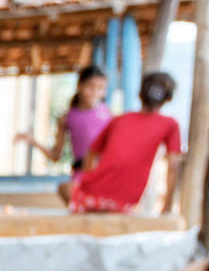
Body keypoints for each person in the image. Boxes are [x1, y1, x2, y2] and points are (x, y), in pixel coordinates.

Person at [69, 71, 186, 215]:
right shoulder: (170, 124)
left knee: (66, 189)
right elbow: (174, 166)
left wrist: (87, 180)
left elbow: (90, 155)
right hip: (126, 202)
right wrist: (167, 207)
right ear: (169, 98)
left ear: (140, 94)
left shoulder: (119, 120)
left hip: (89, 198)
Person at [15, 64, 110, 203]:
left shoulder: (108, 115)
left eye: (101, 88)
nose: (96, 92)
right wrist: (33, 141)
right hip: (81, 177)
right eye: (91, 87)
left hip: (104, 174)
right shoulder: (67, 119)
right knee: (65, 190)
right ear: (80, 86)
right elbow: (55, 156)